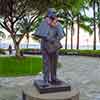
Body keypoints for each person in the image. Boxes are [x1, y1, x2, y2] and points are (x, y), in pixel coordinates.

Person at [35, 8, 65, 85]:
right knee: (46, 63)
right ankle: (46, 79)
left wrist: (55, 39)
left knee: (54, 63)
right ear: (48, 13)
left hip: (54, 46)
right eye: (52, 12)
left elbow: (61, 35)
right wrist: (48, 38)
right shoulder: (44, 23)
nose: (54, 14)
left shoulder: (58, 24)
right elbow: (40, 34)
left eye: (55, 12)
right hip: (45, 46)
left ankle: (54, 78)